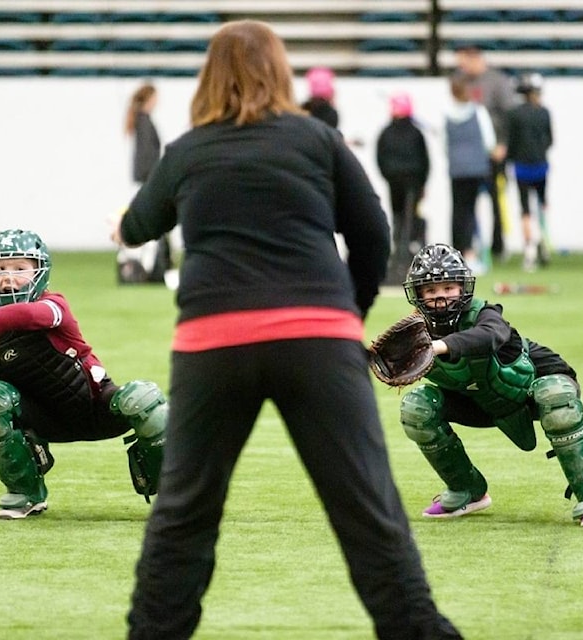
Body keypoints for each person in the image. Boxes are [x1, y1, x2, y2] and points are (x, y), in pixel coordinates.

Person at [112, 20, 462, 639]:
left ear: (208, 77)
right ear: (281, 72)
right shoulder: (317, 140)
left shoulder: (188, 149)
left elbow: (140, 225)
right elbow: (375, 234)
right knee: (368, 512)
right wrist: (345, 314)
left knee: (185, 513)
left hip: (213, 344)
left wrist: (127, 227)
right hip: (316, 341)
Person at [394, 242, 583, 527]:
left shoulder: (486, 315)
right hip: (480, 399)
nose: (442, 298)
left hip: (530, 389)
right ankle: (467, 490)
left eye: (449, 288)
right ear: (418, 295)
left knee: (556, 395)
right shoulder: (415, 333)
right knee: (417, 407)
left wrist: (439, 346)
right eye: (431, 291)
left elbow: (489, 336)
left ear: (463, 288)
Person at [0, 228, 169, 519]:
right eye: (1, 268)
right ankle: (25, 493)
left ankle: (172, 496)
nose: (9, 276)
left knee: (144, 399)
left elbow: (30, 316)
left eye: (20, 268)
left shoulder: (54, 305)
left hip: (94, 407)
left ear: (40, 272)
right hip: (44, 418)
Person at [451, 43, 518, 264]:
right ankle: (464, 247)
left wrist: (503, 144)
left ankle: (498, 245)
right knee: (465, 205)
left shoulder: (497, 81)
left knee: (497, 201)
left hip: (493, 154)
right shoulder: (461, 81)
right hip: (470, 156)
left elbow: (509, 116)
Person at [376, 91, 430, 285]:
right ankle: (406, 257)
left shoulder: (386, 132)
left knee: (398, 217)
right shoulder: (416, 133)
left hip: (394, 181)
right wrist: (423, 183)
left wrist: (388, 175)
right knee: (409, 218)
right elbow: (425, 161)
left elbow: (380, 157)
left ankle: (399, 255)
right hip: (413, 182)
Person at [444, 74, 497, 274]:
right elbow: (489, 142)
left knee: (457, 211)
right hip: (475, 169)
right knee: (470, 211)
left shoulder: (446, 113)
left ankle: (456, 255)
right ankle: (469, 255)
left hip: (456, 169)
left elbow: (444, 145)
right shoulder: (478, 111)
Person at [118, 82, 170, 284]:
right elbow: (148, 154)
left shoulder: (140, 120)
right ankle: (151, 268)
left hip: (144, 178)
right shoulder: (145, 121)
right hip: (148, 178)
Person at [505, 73, 553, 272]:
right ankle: (544, 240)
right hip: (541, 165)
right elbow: (550, 140)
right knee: (542, 204)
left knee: (525, 208)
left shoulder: (514, 114)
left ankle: (529, 249)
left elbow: (511, 142)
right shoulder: (543, 112)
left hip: (521, 167)